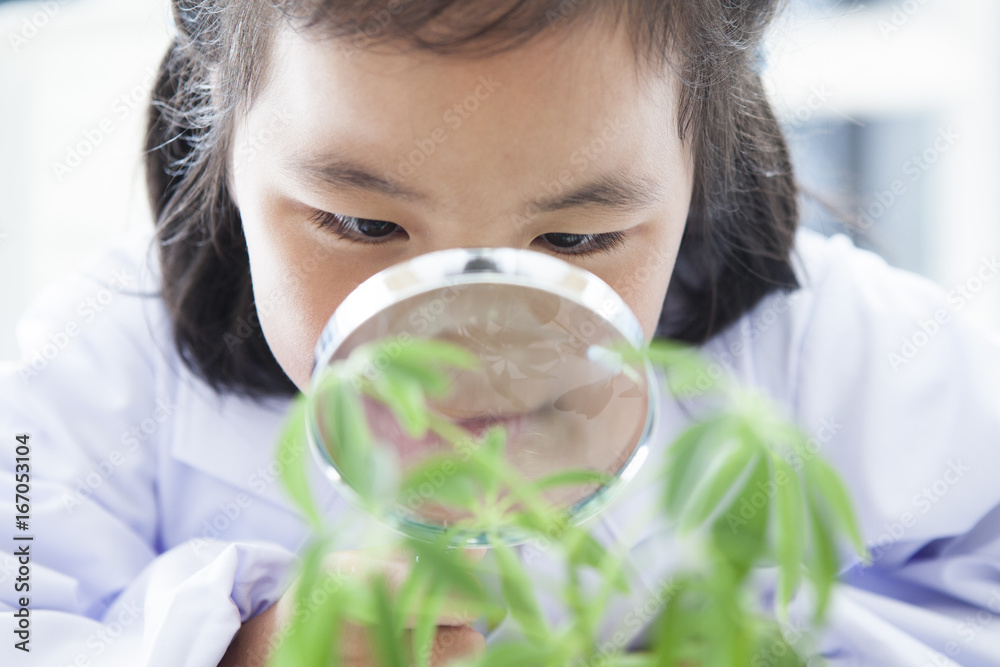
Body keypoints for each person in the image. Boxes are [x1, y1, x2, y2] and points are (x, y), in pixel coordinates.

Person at [2, 0, 999, 665]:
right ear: (219, 127)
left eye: (577, 237)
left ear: (703, 156)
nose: (468, 342)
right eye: (362, 225)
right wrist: (240, 641)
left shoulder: (826, 350)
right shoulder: (90, 373)